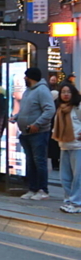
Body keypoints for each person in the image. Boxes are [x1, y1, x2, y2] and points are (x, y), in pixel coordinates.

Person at [13, 67, 55, 201]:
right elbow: (26, 109)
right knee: (31, 162)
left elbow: (49, 110)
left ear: (30, 77)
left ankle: (43, 190)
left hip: (38, 133)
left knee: (39, 161)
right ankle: (33, 188)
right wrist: (17, 117)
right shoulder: (28, 91)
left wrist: (37, 124)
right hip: (26, 133)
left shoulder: (42, 90)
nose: (24, 79)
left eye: (26, 76)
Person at [52, 83, 81, 213]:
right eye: (63, 92)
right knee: (65, 176)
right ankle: (68, 200)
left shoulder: (78, 107)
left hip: (78, 146)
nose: (65, 94)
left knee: (78, 176)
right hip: (64, 145)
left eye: (68, 92)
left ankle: (76, 202)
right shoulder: (60, 109)